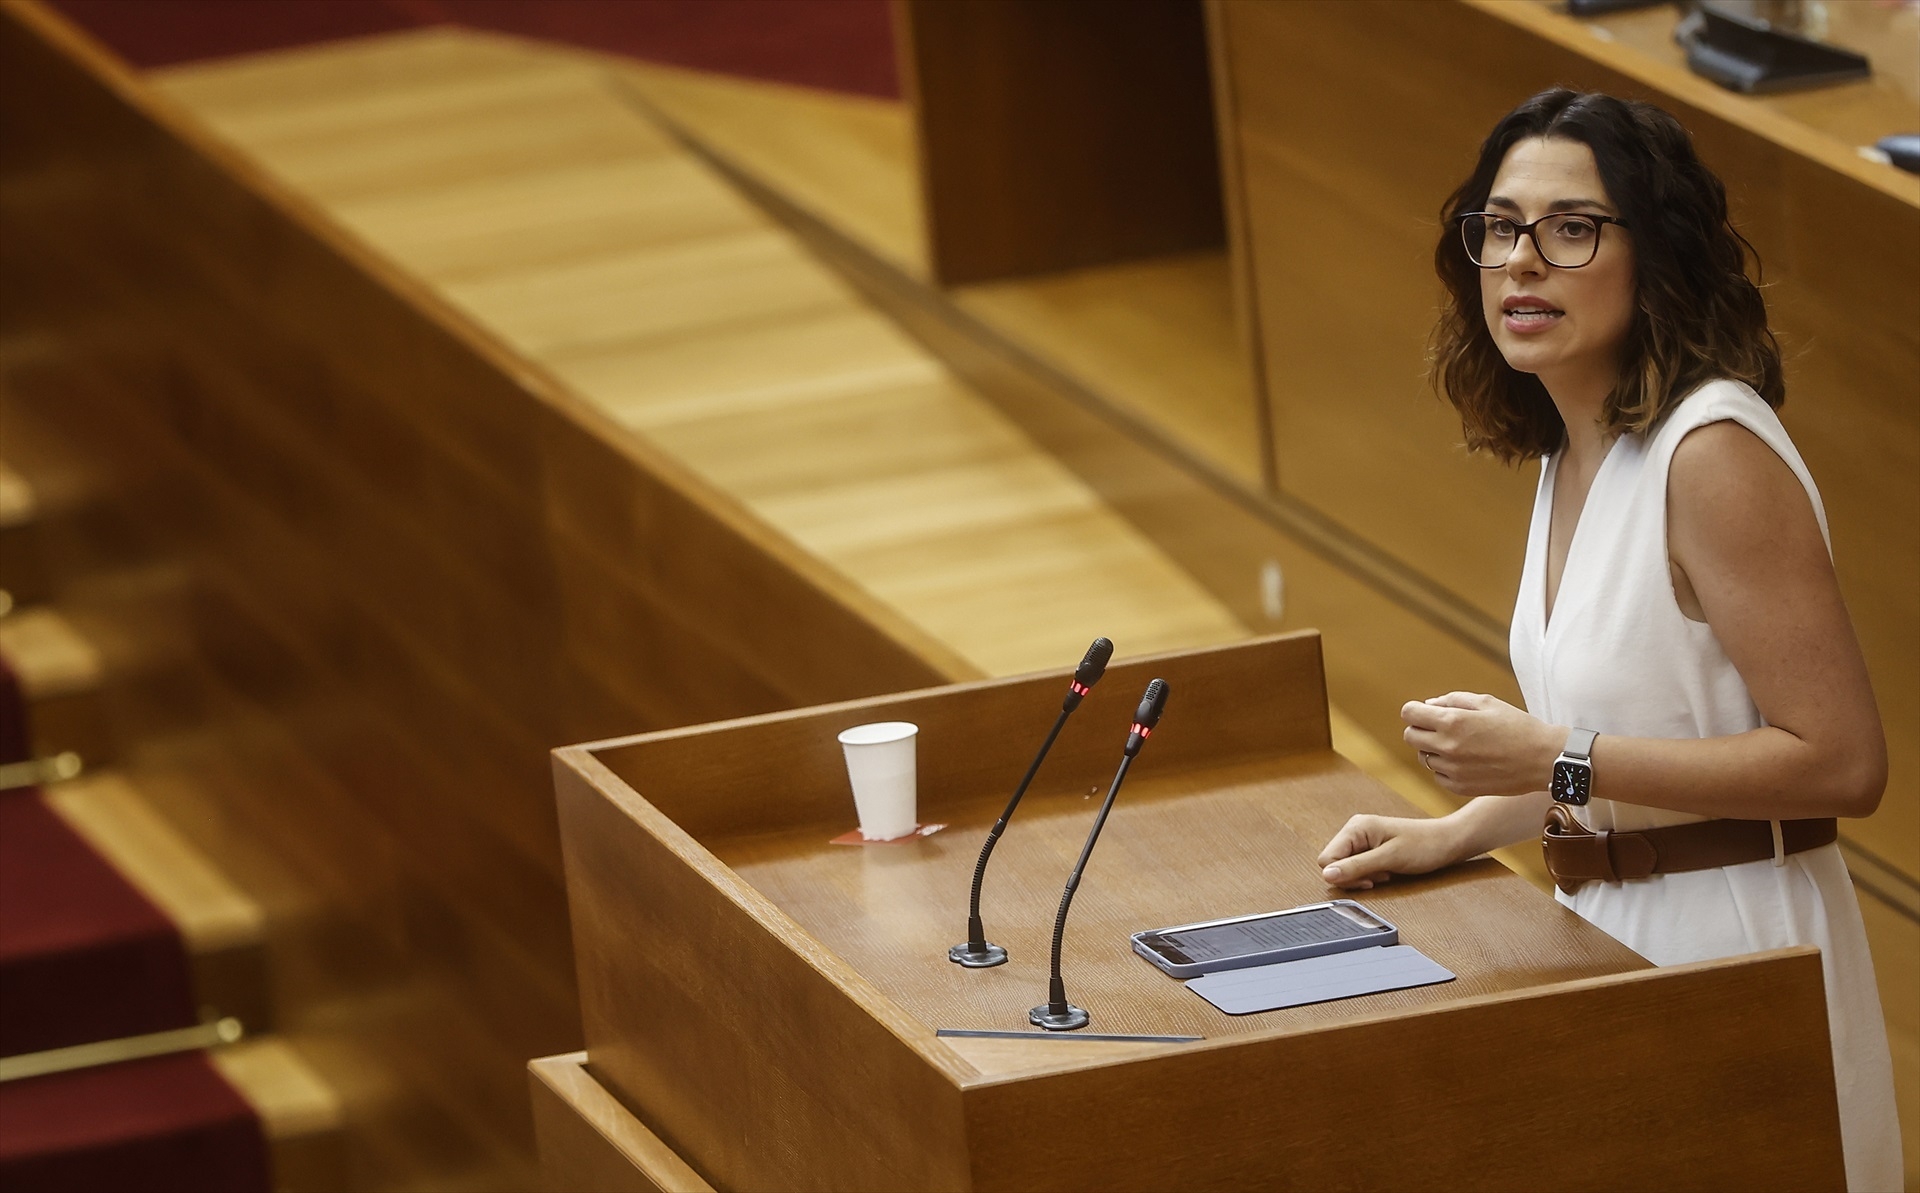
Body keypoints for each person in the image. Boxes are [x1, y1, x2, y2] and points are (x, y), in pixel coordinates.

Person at [1314, 88, 1901, 1191]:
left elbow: (1843, 760)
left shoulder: (1712, 454)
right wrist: (1466, 825)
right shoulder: (1573, 444)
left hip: (1737, 941)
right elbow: (1643, 741)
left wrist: (1553, 760)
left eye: (1570, 228)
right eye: (1498, 227)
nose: (1522, 261)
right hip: (1609, 922)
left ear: (1656, 253)